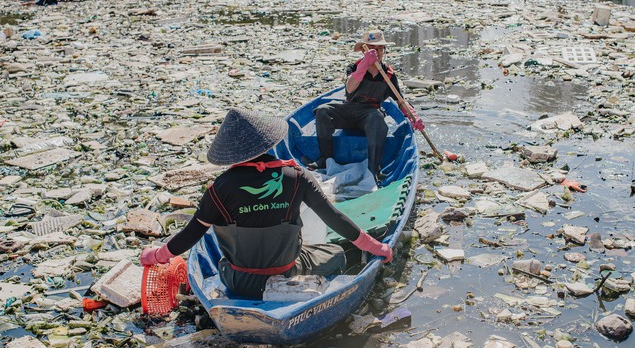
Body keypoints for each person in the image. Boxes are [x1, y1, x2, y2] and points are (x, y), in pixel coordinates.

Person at [139, 108, 393, 299]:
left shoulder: (219, 188)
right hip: (287, 272)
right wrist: (376, 246)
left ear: (231, 153)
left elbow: (191, 234)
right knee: (337, 254)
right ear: (270, 142)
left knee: (221, 256)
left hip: (238, 281)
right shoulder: (297, 177)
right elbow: (334, 219)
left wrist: (156, 255)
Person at [311, 30, 424, 183]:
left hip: (370, 115)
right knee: (323, 111)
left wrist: (413, 116)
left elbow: (400, 101)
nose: (376, 52)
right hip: (349, 110)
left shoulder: (388, 75)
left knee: (377, 117)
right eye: (372, 49)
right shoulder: (354, 67)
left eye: (379, 49)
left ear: (384, 51)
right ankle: (325, 158)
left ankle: (373, 169)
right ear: (364, 50)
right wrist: (365, 64)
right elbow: (350, 88)